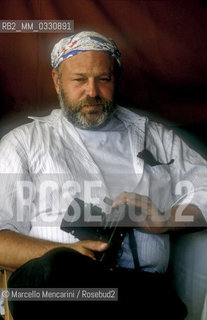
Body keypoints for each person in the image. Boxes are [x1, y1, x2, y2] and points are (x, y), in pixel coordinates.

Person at [0, 30, 206, 319]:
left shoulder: (156, 138)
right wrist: (70, 253)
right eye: (79, 80)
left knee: (157, 301)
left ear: (116, 79)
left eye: (103, 80)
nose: (92, 92)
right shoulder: (24, 143)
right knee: (58, 267)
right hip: (54, 286)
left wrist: (165, 220)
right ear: (57, 81)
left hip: (138, 290)